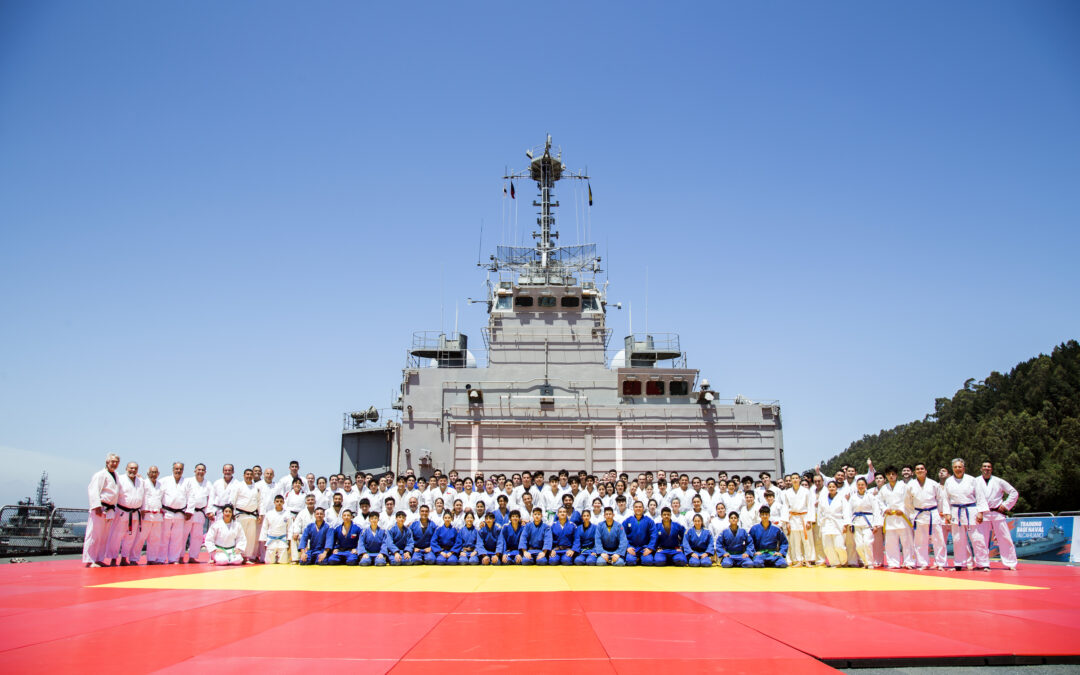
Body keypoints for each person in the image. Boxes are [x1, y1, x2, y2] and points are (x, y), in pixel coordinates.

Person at [944, 458, 990, 571]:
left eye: (959, 467)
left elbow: (980, 496)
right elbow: (945, 498)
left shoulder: (972, 480)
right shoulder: (949, 481)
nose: (957, 469)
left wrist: (980, 512)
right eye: (955, 467)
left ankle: (983, 563)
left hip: (971, 510)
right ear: (952, 468)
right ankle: (959, 563)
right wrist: (947, 513)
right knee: (958, 539)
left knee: (977, 538)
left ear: (964, 468)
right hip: (956, 511)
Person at [977, 460, 1019, 571]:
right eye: (984, 466)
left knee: (1004, 537)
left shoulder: (998, 481)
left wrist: (1005, 505)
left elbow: (1013, 492)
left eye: (989, 467)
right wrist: (977, 511)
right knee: (981, 539)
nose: (986, 468)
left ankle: (1010, 563)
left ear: (991, 469)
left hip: (997, 512)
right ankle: (983, 563)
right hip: (983, 514)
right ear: (981, 469)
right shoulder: (975, 481)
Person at [83, 452, 121, 567]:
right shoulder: (100, 475)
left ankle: (99, 558)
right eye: (112, 461)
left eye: (116, 462)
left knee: (104, 536)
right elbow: (93, 490)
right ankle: (89, 560)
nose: (114, 464)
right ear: (107, 462)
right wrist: (97, 507)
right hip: (100, 508)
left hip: (110, 510)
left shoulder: (116, 475)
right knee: (94, 535)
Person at [909, 463, 948, 570]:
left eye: (922, 469)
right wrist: (912, 514)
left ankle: (941, 563)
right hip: (919, 514)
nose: (920, 470)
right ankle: (923, 563)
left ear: (926, 471)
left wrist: (940, 512)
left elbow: (940, 499)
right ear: (914, 472)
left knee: (938, 540)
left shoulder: (934, 484)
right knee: (920, 541)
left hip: (933, 513)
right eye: (917, 469)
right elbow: (907, 502)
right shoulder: (910, 485)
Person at [878, 466, 914, 569]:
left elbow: (907, 500)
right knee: (891, 542)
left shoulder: (903, 486)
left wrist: (902, 509)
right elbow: (880, 501)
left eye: (893, 474)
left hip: (902, 516)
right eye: (889, 474)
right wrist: (885, 509)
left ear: (896, 475)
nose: (891, 476)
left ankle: (909, 562)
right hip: (890, 517)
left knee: (906, 541)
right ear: (886, 476)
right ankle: (893, 563)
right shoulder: (884, 488)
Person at [111, 461, 145, 566]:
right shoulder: (120, 479)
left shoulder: (141, 481)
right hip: (122, 512)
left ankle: (124, 558)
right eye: (131, 468)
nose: (133, 470)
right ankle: (113, 558)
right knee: (117, 537)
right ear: (126, 468)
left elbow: (143, 497)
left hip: (135, 513)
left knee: (130, 537)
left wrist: (142, 510)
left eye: (135, 468)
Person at [848, 477, 882, 569]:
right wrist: (850, 524)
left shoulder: (871, 496)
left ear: (866, 486)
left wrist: (876, 524)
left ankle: (870, 563)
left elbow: (876, 510)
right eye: (859, 485)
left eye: (862, 485)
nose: (860, 486)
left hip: (868, 522)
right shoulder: (853, 497)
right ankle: (865, 562)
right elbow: (849, 511)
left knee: (867, 543)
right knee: (859, 545)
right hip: (856, 522)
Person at [182, 463, 212, 563]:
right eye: (198, 469)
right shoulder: (188, 481)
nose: (200, 471)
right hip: (188, 512)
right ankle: (180, 556)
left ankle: (192, 556)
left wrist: (209, 512)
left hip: (200, 513)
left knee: (197, 536)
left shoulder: (208, 484)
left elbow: (210, 499)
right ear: (195, 471)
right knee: (183, 535)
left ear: (205, 472)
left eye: (202, 470)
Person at [159, 462, 189, 565]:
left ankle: (174, 558)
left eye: (180, 469)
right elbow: (158, 495)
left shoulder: (186, 482)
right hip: (167, 512)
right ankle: (161, 558)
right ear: (173, 469)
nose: (178, 471)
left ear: (183, 470)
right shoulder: (164, 481)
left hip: (180, 513)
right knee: (164, 536)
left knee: (177, 538)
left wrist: (189, 511)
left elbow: (191, 497)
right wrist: (159, 508)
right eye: (176, 469)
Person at [816, 481, 851, 567]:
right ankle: (835, 562)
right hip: (826, 523)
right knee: (828, 546)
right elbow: (819, 512)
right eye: (830, 487)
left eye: (833, 487)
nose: (831, 488)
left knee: (839, 545)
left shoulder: (841, 498)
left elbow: (846, 511)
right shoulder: (823, 498)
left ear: (836, 488)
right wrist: (820, 522)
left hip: (838, 523)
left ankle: (843, 561)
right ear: (827, 488)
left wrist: (846, 524)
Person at [135, 465, 165, 564]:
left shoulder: (161, 485)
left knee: (155, 538)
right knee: (141, 538)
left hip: (157, 515)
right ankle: (134, 558)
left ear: (158, 474)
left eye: (155, 472)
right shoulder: (143, 483)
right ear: (148, 473)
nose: (153, 474)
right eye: (151, 472)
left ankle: (152, 559)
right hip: (146, 514)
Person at [784, 472, 814, 567]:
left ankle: (808, 560)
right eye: (793, 478)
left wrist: (809, 520)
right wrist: (786, 521)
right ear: (791, 480)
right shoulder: (787, 492)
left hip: (804, 517)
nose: (795, 480)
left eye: (797, 478)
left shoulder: (806, 491)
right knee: (795, 540)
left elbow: (810, 506)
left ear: (800, 479)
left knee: (806, 540)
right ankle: (799, 560)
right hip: (793, 518)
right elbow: (785, 507)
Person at [233, 468, 262, 563]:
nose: (249, 476)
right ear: (244, 475)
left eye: (251, 474)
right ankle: (239, 555)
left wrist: (260, 514)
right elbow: (233, 500)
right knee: (240, 536)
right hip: (240, 515)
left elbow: (259, 501)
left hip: (252, 515)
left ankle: (247, 556)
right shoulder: (238, 486)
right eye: (247, 474)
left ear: (253, 476)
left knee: (251, 537)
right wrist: (232, 513)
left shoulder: (256, 487)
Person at [261, 495, 293, 564]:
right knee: (269, 562)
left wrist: (289, 540)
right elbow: (264, 528)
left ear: (284, 502)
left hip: (282, 539)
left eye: (281, 501)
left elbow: (290, 528)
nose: (279, 503)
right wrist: (264, 541)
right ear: (274, 502)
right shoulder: (269, 513)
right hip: (271, 539)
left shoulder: (287, 514)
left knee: (283, 562)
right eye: (277, 501)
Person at [622, 501, 655, 567]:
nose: (638, 508)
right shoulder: (628, 521)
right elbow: (622, 535)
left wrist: (650, 548)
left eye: (640, 507)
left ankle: (640, 559)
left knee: (648, 562)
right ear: (633, 509)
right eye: (636, 507)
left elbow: (654, 535)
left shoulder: (649, 521)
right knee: (630, 562)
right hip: (632, 548)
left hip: (644, 548)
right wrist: (627, 547)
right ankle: (637, 559)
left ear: (643, 509)